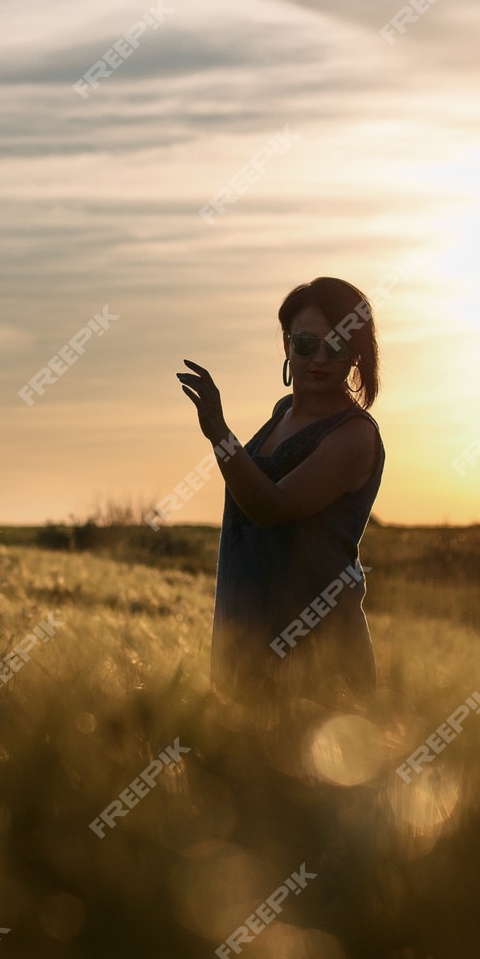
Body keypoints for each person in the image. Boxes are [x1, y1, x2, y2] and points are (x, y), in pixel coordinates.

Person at [175, 276, 385, 710]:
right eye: (307, 344)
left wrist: (219, 434)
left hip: (319, 662)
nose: (320, 358)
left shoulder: (354, 436)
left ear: (357, 356)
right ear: (288, 344)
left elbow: (271, 509)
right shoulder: (282, 414)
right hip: (248, 649)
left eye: (339, 347)